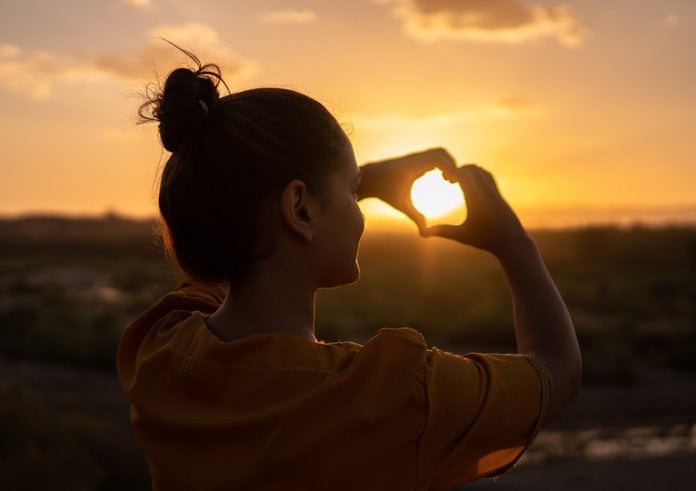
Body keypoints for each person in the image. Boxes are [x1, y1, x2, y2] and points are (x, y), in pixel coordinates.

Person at [117, 50, 581, 491]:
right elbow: (557, 369)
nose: (359, 209)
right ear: (299, 208)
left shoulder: (160, 351)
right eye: (352, 191)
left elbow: (226, 234)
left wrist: (347, 183)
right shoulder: (394, 395)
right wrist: (514, 245)